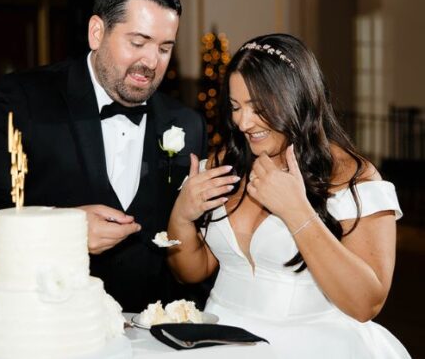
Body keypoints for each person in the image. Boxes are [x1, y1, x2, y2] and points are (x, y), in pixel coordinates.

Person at [0, 0, 208, 320]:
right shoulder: (25, 98)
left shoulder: (186, 125)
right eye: (137, 42)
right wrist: (62, 230)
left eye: (164, 48)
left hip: (137, 335)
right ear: (97, 32)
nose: (151, 62)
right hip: (32, 322)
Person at [167, 33, 410, 358]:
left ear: (297, 99)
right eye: (236, 107)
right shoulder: (226, 161)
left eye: (258, 108)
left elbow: (366, 303)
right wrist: (181, 217)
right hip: (217, 341)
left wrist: (297, 212)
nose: (242, 122)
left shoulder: (354, 179)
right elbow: (193, 271)